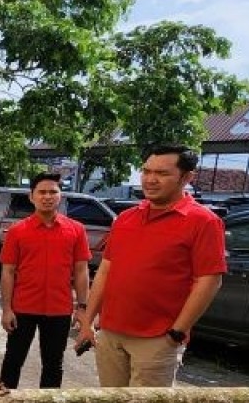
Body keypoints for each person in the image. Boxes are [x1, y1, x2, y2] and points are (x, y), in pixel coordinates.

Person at [76, 145, 226, 387]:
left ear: (187, 177)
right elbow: (106, 270)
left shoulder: (203, 222)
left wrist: (176, 333)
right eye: (146, 171)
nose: (151, 180)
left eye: (162, 173)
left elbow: (209, 281)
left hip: (156, 339)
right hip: (111, 333)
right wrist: (88, 321)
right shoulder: (126, 218)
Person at [0, 173, 92, 388]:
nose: (47, 196)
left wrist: (82, 307)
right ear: (31, 196)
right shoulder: (17, 231)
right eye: (42, 192)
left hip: (59, 309)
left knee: (53, 364)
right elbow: (8, 272)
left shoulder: (76, 230)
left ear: (61, 196)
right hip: (23, 308)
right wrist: (6, 309)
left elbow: (81, 271)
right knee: (13, 360)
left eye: (53, 192)